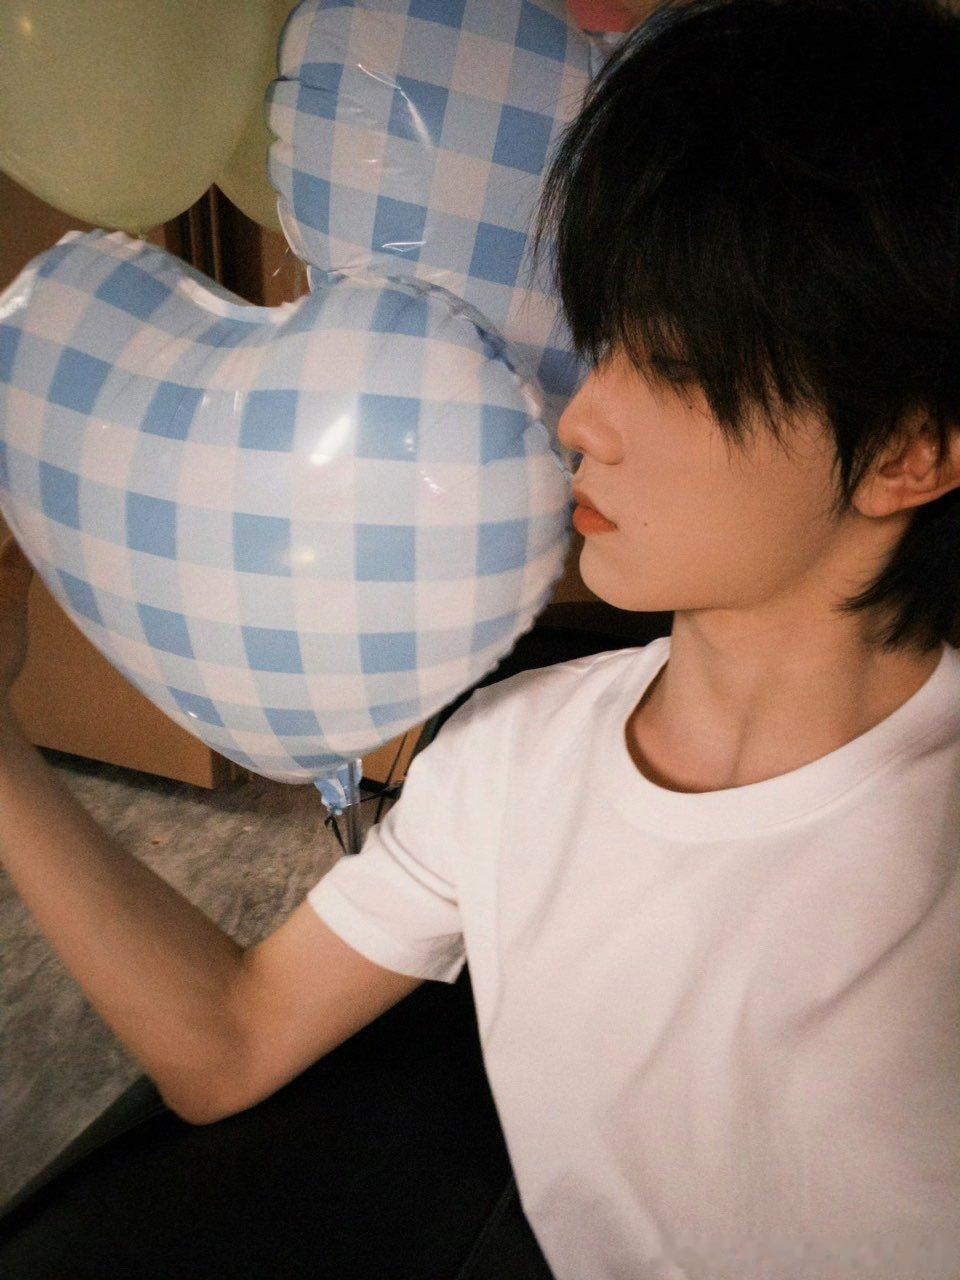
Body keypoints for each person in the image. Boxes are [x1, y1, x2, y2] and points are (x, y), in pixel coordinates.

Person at [2, 0, 960, 1276]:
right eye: (606, 340)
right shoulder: (506, 758)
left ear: (909, 450)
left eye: (678, 365)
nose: (582, 416)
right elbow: (228, 1043)